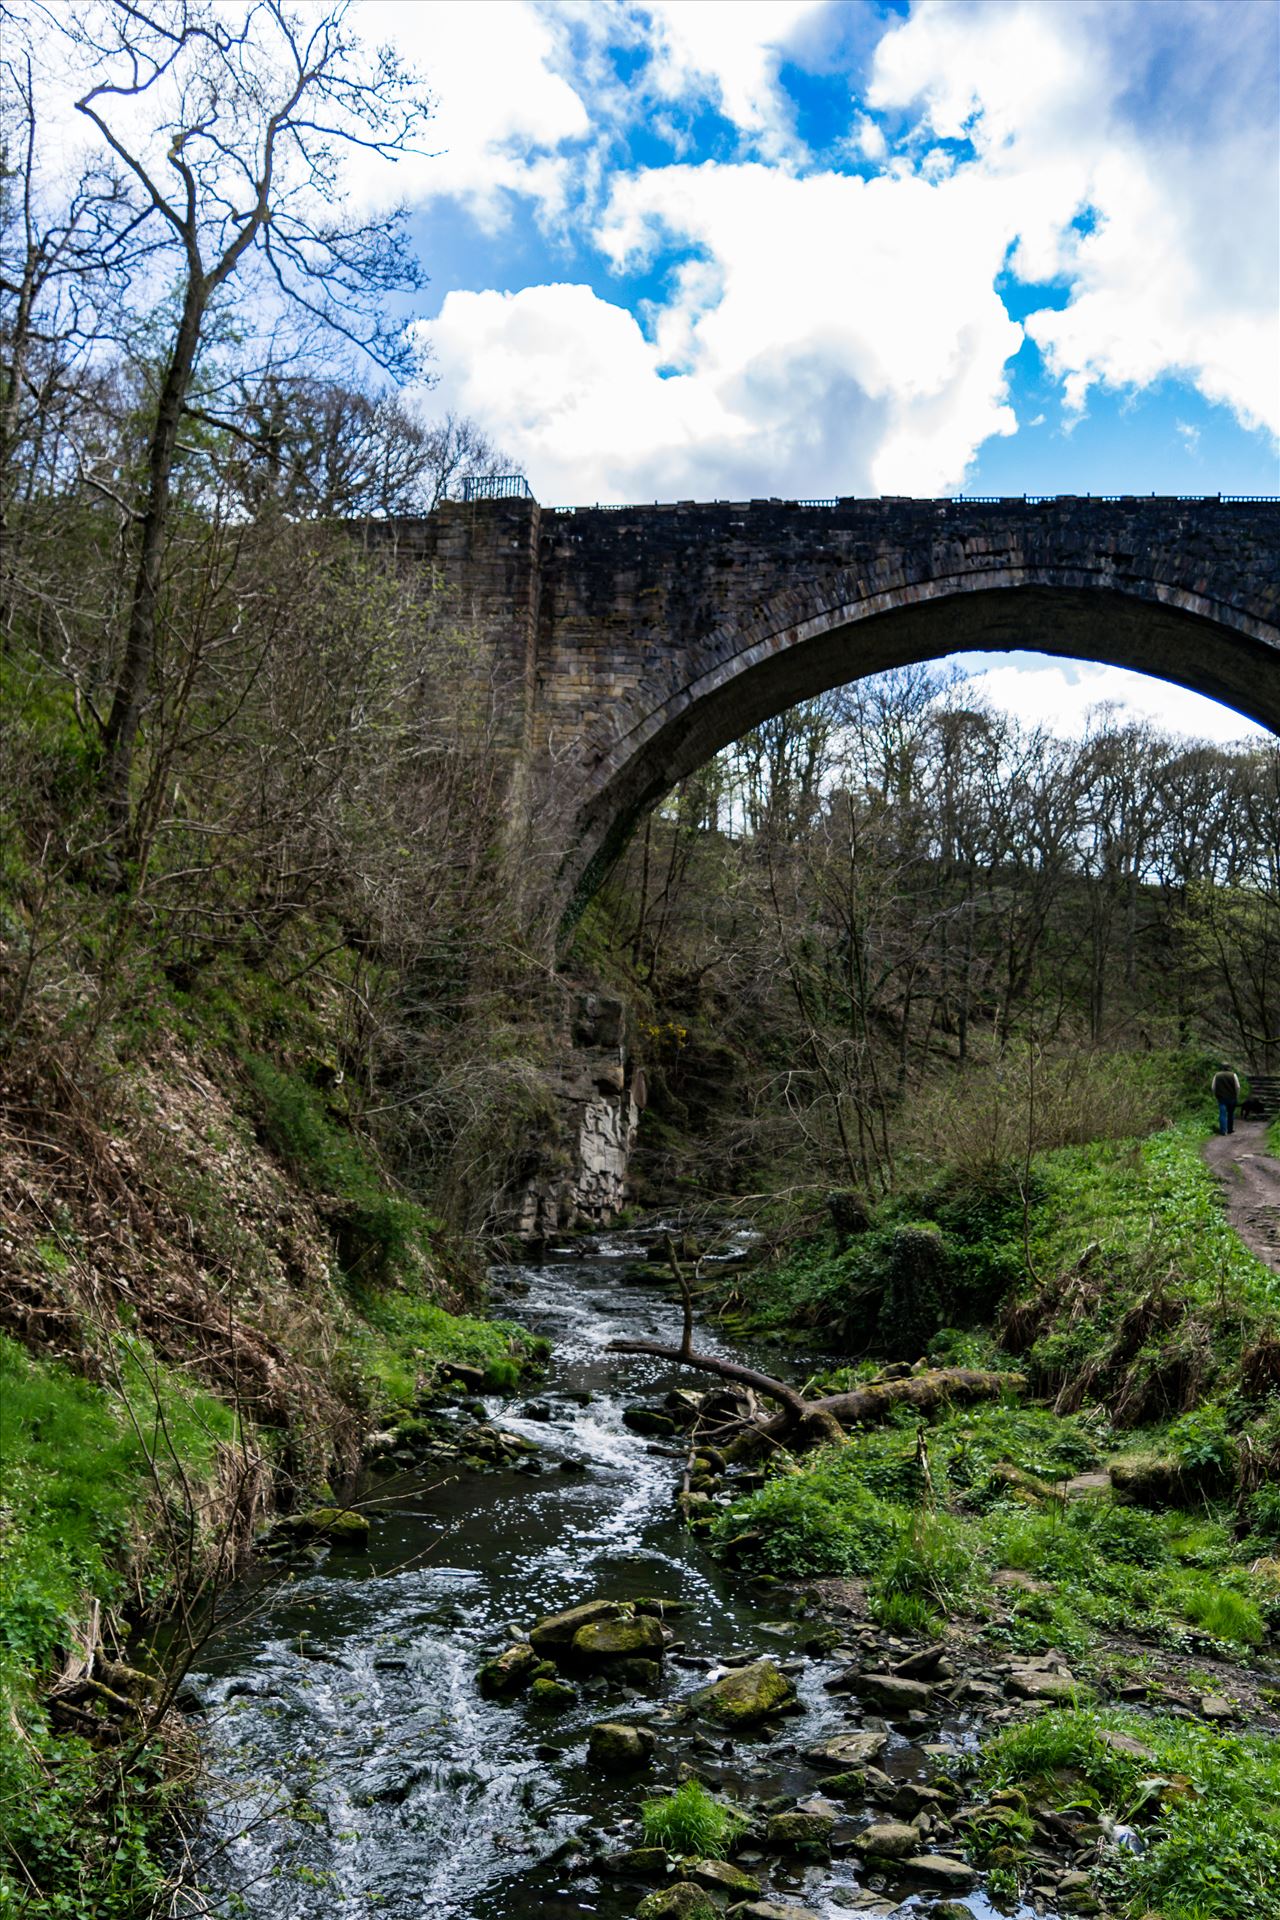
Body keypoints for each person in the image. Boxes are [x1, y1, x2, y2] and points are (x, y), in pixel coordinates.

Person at [1212, 1065, 1241, 1135]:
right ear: (1229, 1068)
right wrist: (1236, 1095)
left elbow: (1213, 1087)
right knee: (1230, 1114)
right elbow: (1238, 1086)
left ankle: (1223, 1131)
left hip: (1221, 1098)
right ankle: (1230, 1130)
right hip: (1232, 1098)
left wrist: (1215, 1095)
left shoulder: (1217, 1075)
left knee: (1222, 1114)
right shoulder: (1233, 1075)